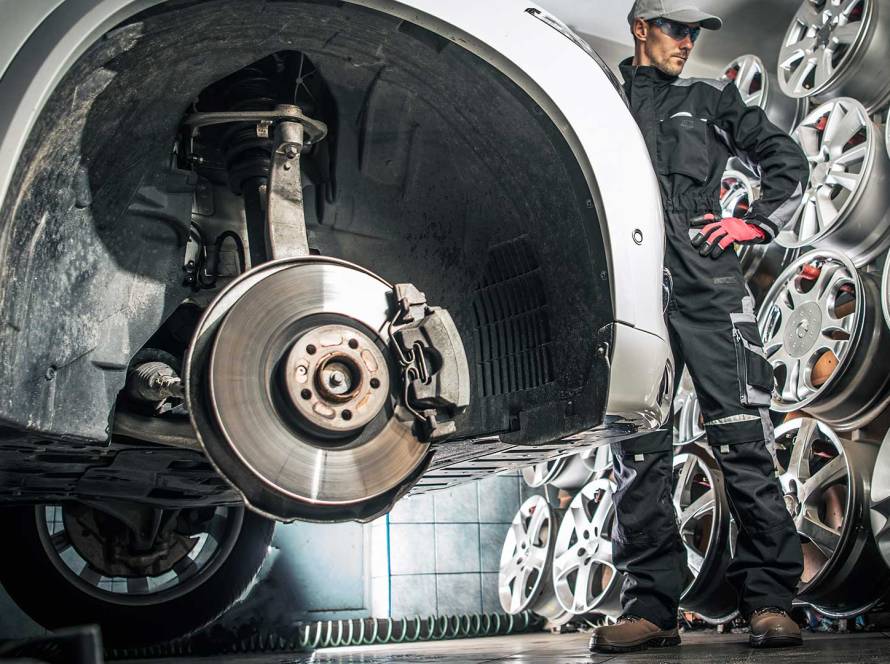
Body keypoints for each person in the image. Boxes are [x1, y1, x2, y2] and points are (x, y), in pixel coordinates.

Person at [590, 0, 808, 654]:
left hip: (708, 285)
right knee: (639, 450)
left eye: (694, 32)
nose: (687, 42)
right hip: (630, 285)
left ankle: (770, 601)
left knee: (743, 440)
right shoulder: (601, 98)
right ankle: (651, 607)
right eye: (675, 29)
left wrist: (755, 221)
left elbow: (786, 160)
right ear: (640, 28)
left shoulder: (711, 94)